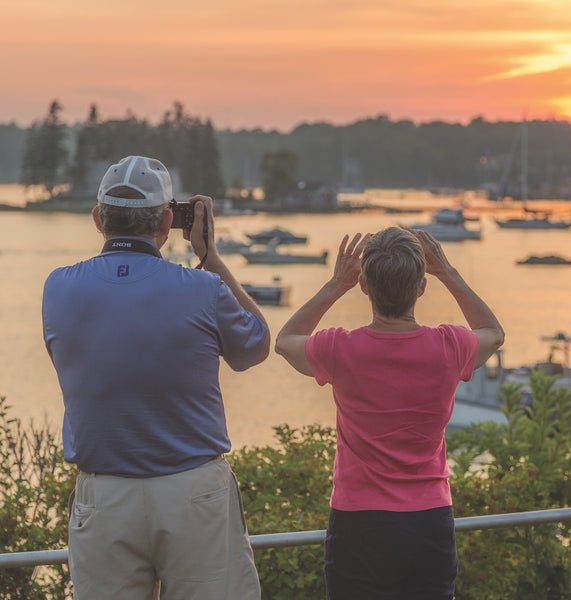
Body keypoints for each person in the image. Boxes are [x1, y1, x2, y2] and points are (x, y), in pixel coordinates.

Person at [42, 155, 270, 600]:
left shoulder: (59, 287)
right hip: (193, 494)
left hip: (103, 495)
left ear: (97, 218)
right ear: (168, 220)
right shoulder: (203, 289)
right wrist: (211, 258)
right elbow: (255, 346)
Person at [275, 226, 504, 600]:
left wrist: (336, 284)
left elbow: (285, 341)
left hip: (359, 522)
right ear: (421, 288)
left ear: (364, 286)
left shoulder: (339, 349)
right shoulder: (449, 346)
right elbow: (492, 331)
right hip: (429, 520)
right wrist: (447, 270)